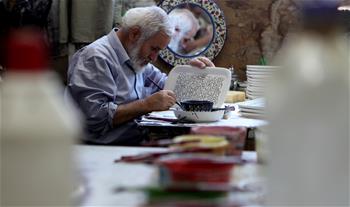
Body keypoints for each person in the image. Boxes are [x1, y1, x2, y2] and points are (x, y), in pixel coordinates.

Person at [65, 6, 214, 146]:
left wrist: (198, 75)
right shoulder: (96, 58)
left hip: (134, 142)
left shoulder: (136, 58)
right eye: (154, 49)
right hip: (102, 150)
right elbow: (96, 119)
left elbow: (170, 88)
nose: (154, 58)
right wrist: (146, 105)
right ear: (135, 34)